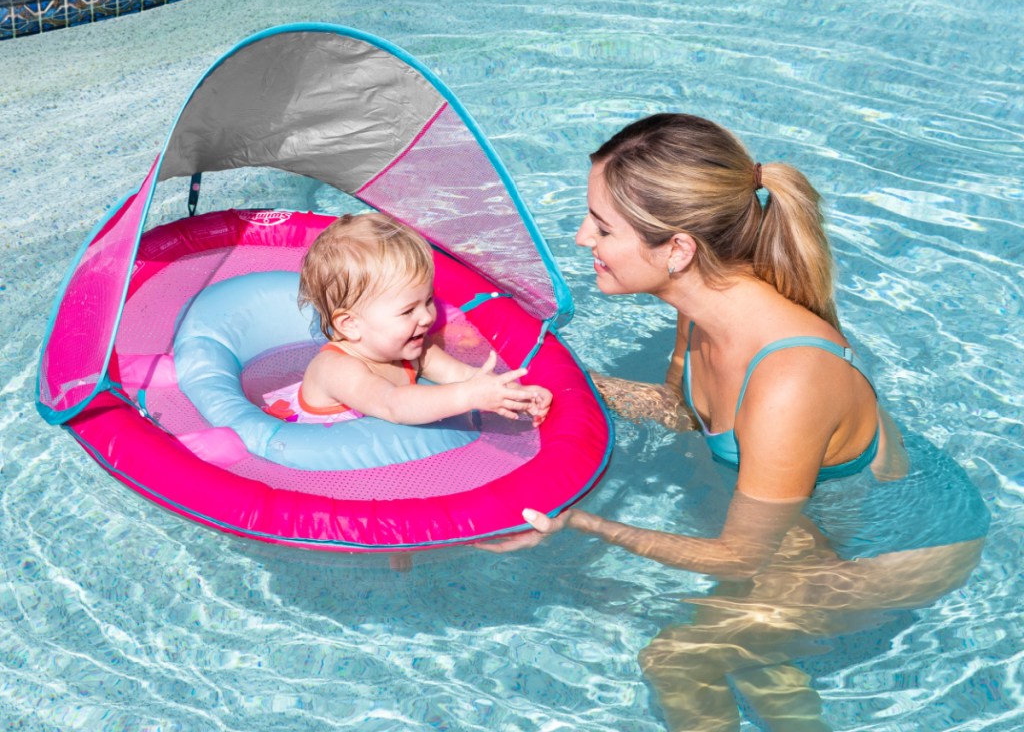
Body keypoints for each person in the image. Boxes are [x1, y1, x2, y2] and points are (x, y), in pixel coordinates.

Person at [479, 114, 987, 730]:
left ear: (678, 249)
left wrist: (583, 522)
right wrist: (548, 386)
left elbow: (741, 556)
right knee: (750, 659)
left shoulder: (788, 380)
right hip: (814, 523)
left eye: (603, 226)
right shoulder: (703, 310)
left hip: (898, 550)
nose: (583, 237)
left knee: (676, 658)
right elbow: (681, 415)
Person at [263, 212, 551, 428]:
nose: (426, 317)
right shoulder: (335, 369)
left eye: (427, 301)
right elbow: (393, 405)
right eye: (407, 311)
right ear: (350, 324)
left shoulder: (413, 349)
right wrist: (467, 397)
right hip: (307, 443)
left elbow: (462, 376)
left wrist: (517, 395)